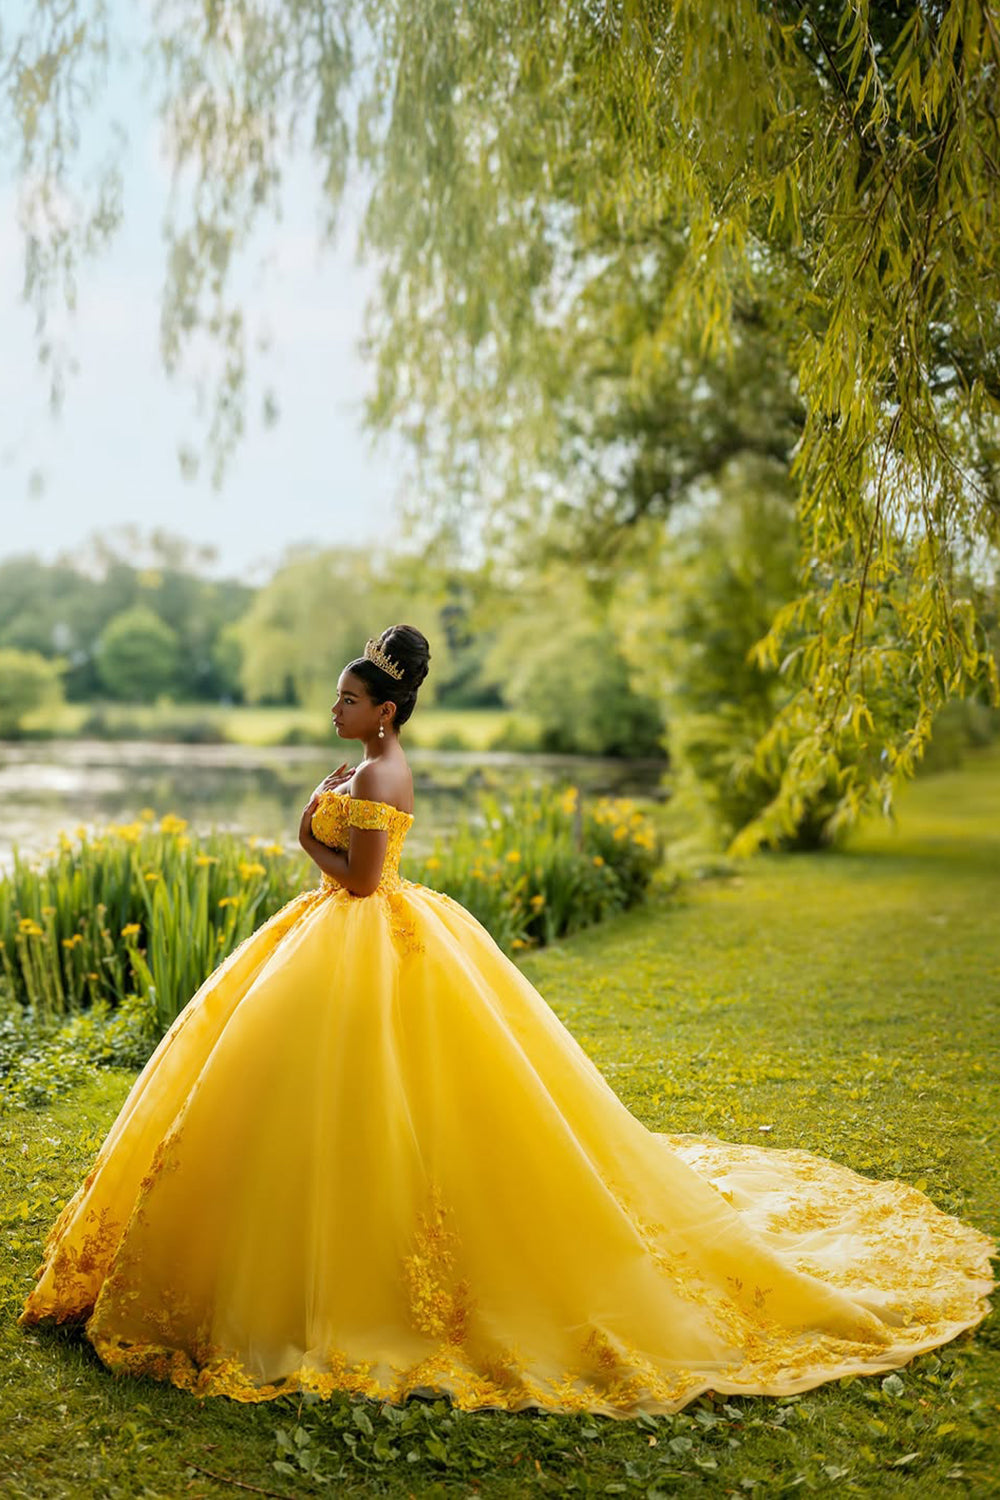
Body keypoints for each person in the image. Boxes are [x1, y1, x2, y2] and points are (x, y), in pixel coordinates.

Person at [18, 624, 996, 1418]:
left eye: (349, 700)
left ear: (385, 711)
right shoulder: (362, 771)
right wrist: (317, 820)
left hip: (362, 934)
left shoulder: (377, 778)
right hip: (348, 936)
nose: (336, 709)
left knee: (385, 1087)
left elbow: (360, 880)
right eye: (338, 699)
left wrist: (298, 835)